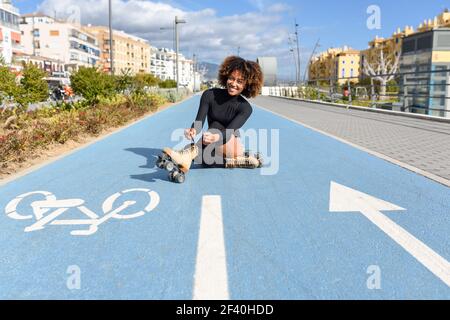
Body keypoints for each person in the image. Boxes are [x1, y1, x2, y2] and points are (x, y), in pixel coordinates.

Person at [162, 56, 264, 173]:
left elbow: (229, 132)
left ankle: (186, 154)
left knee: (214, 126)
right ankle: (234, 162)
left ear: (246, 85)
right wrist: (193, 130)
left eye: (239, 81)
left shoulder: (245, 108)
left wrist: (216, 137)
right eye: (231, 78)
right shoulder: (209, 95)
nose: (233, 83)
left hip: (231, 145)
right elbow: (199, 122)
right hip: (210, 143)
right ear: (226, 77)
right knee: (202, 159)